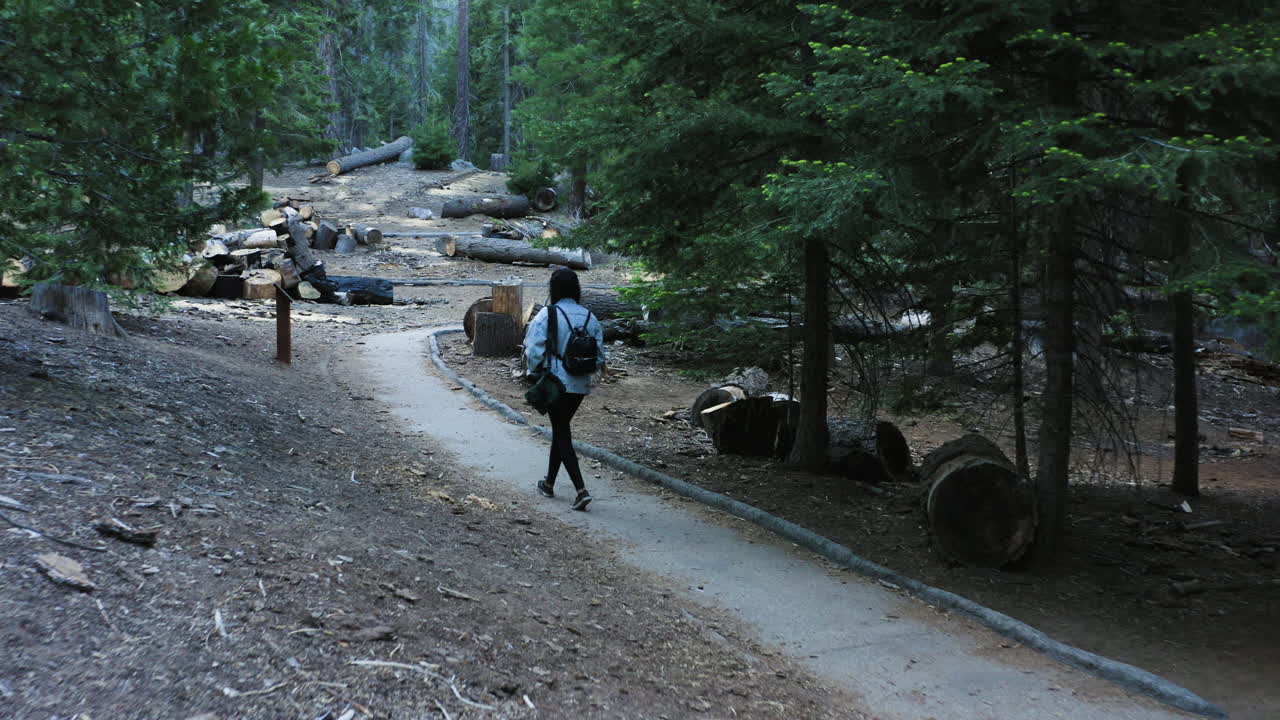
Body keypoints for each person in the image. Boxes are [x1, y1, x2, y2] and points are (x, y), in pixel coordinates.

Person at [522, 268, 607, 511]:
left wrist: (534, 373)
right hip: (580, 385)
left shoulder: (548, 314)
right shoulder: (591, 317)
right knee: (561, 430)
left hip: (556, 383)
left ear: (554, 288)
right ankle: (548, 483)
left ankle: (581, 491)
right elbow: (600, 357)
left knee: (561, 433)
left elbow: (534, 348)